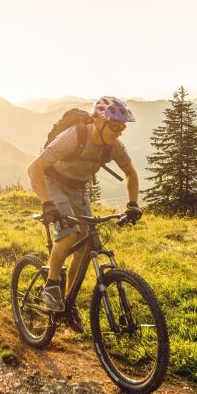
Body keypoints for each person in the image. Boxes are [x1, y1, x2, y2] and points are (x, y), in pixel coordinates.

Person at [27, 96, 143, 313]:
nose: (118, 132)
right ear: (99, 122)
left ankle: (69, 303)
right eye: (115, 126)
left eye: (122, 128)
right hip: (54, 183)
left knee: (85, 246)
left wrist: (133, 204)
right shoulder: (74, 136)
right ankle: (51, 285)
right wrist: (48, 204)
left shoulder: (114, 146)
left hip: (79, 188)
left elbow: (130, 172)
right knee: (70, 232)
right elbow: (35, 168)